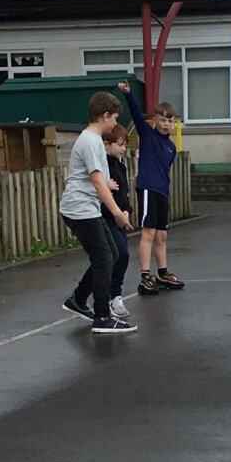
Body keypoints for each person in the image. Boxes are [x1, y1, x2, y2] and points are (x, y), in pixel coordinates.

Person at [58, 92, 136, 335]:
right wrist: (117, 212)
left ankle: (78, 299)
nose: (115, 124)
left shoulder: (91, 140)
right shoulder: (91, 142)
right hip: (79, 208)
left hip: (86, 208)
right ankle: (102, 316)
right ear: (104, 116)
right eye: (113, 118)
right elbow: (97, 181)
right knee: (104, 258)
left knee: (111, 253)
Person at [117, 80, 185, 294]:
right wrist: (128, 94)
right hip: (147, 188)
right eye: (162, 120)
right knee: (148, 232)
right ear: (155, 120)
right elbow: (137, 115)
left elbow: (164, 169)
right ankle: (145, 276)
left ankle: (163, 273)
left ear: (174, 122)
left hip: (162, 190)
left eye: (169, 120)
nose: (166, 124)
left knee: (162, 235)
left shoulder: (171, 148)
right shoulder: (147, 135)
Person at [101, 121, 134, 322]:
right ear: (107, 144)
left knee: (123, 255)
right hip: (106, 217)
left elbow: (124, 193)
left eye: (124, 145)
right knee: (118, 253)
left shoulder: (120, 165)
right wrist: (105, 185)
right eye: (119, 144)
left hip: (120, 216)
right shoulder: (102, 166)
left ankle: (115, 295)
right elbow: (97, 187)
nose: (123, 149)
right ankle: (108, 297)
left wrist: (127, 211)